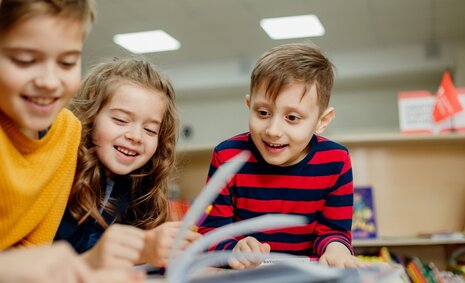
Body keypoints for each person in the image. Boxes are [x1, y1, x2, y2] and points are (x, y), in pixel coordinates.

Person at [198, 43, 365, 269]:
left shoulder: (337, 161)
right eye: (263, 113)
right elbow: (210, 233)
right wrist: (233, 250)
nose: (273, 130)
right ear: (249, 105)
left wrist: (337, 249)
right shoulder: (226, 156)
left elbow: (333, 231)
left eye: (292, 118)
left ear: (321, 121)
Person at [55, 57, 201, 270]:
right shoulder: (61, 175)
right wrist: (141, 250)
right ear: (90, 117)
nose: (136, 136)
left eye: (150, 130)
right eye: (121, 120)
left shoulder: (139, 186)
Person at [0, 0, 95, 250]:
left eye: (67, 63)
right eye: (24, 60)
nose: (50, 82)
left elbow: (34, 251)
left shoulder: (68, 131)